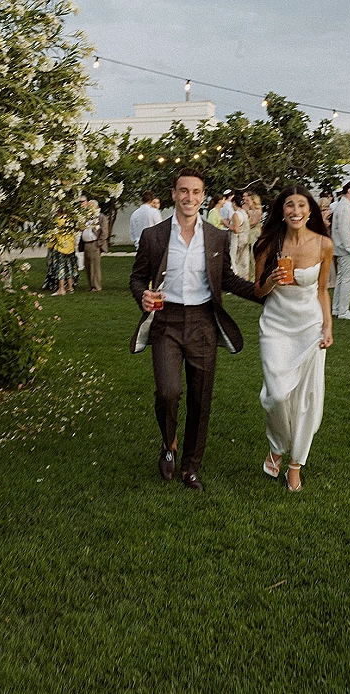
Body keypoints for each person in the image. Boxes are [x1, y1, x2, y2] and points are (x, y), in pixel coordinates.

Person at [129, 168, 258, 492]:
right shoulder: (154, 236)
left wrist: (263, 291)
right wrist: (141, 294)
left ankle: (191, 468)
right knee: (168, 392)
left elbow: (226, 278)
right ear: (174, 194)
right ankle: (168, 442)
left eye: (196, 192)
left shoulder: (216, 236)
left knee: (201, 399)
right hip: (166, 322)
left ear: (202, 196)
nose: (189, 197)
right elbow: (136, 278)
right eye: (183, 191)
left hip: (203, 323)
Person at [253, 186, 333, 492]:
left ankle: (295, 464)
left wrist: (327, 327)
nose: (295, 210)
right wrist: (272, 279)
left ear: (310, 210)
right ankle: (277, 445)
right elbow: (258, 290)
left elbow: (322, 290)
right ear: (282, 211)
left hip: (310, 326)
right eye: (289, 205)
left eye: (301, 205)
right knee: (276, 395)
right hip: (275, 326)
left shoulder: (324, 244)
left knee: (304, 399)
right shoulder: (266, 243)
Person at [331, 180, 350, 319]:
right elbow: (343, 231)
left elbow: (347, 229)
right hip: (347, 250)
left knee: (342, 279)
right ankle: (343, 310)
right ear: (349, 190)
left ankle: (337, 308)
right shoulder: (344, 207)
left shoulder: (345, 206)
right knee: (347, 280)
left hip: (344, 249)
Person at [81, 199, 109, 291]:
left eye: (90, 206)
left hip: (94, 243)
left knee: (95, 266)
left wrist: (99, 244)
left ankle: (96, 286)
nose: (88, 207)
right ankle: (91, 285)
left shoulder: (101, 217)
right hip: (86, 243)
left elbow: (104, 232)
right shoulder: (86, 217)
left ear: (96, 207)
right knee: (88, 265)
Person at [50, 213, 77, 296]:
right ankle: (70, 287)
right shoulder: (72, 218)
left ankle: (61, 289)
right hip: (70, 246)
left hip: (60, 246)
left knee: (60, 267)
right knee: (69, 266)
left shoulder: (58, 219)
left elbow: (54, 232)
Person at [229, 193, 251, 279]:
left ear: (234, 203)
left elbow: (236, 229)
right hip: (245, 239)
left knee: (234, 261)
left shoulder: (236, 214)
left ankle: (235, 279)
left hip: (237, 240)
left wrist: (226, 224)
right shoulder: (244, 213)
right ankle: (245, 279)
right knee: (244, 261)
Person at [244, 190, 263, 277]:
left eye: (248, 201)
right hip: (248, 236)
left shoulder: (257, 212)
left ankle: (254, 276)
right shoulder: (249, 211)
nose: (246, 202)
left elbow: (251, 223)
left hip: (254, 235)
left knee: (252, 257)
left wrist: (248, 213)